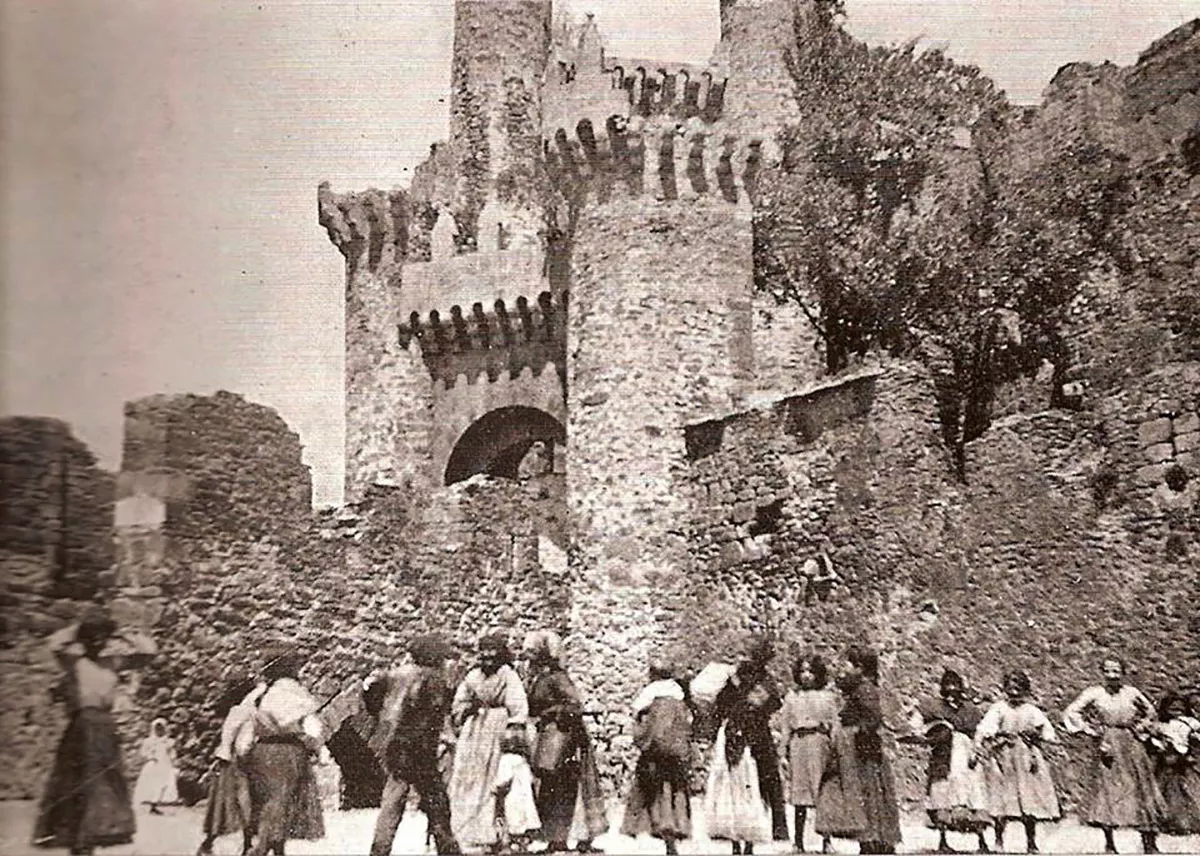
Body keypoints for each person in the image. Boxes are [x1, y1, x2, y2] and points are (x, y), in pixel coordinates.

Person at [34, 610, 137, 855]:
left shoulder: (114, 664)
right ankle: (78, 839)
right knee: (77, 783)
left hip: (105, 728)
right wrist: (79, 629)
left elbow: (147, 651)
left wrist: (119, 633)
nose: (97, 642)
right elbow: (55, 644)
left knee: (105, 783)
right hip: (81, 727)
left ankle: (93, 835)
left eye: (102, 638)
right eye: (92, 638)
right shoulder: (76, 663)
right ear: (85, 640)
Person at [362, 634, 462, 856]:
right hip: (420, 746)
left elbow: (370, 695)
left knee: (393, 799)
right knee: (437, 801)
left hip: (394, 745)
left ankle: (379, 849)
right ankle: (448, 849)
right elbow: (435, 711)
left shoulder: (395, 674)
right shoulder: (432, 678)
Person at [1063, 659, 1166, 854]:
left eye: (1116, 671)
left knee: (1141, 787)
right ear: (1102, 672)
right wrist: (1091, 730)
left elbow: (1150, 712)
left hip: (1131, 741)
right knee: (1108, 789)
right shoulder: (1094, 693)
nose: (1112, 675)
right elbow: (1072, 712)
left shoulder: (1132, 693)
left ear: (1123, 673)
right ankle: (1110, 844)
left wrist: (1142, 726)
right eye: (1108, 671)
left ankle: (1149, 843)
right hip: (1108, 743)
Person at [522, 629, 607, 853]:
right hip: (549, 737)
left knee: (570, 788)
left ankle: (581, 837)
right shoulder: (538, 678)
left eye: (532, 654)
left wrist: (551, 712)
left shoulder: (557, 677)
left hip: (566, 738)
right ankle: (556, 838)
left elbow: (574, 705)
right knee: (553, 788)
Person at [814, 646, 902, 855]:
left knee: (868, 791)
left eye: (849, 664)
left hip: (861, 749)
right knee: (867, 793)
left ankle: (875, 839)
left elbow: (873, 719)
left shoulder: (865, 689)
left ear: (860, 668)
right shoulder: (859, 689)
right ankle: (872, 839)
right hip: (857, 747)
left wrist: (855, 733)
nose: (844, 668)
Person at [447, 633, 530, 852]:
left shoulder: (508, 676)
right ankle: (471, 831)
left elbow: (519, 708)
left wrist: (512, 734)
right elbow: (459, 702)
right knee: (470, 780)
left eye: (492, 657)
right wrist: (466, 710)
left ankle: (496, 834)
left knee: (496, 782)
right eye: (483, 657)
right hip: (473, 734)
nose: (487, 662)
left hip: (498, 732)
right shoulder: (473, 676)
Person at [241, 647, 327, 856]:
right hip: (288, 752)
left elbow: (248, 725)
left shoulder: (262, 693)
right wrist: (318, 749)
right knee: (282, 801)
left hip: (261, 751)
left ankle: (276, 850)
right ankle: (262, 849)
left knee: (268, 801)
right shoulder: (295, 693)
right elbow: (312, 727)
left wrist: (244, 752)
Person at [706, 639, 785, 854]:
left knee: (752, 783)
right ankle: (738, 839)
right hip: (739, 734)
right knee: (739, 785)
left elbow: (769, 704)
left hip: (752, 736)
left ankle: (747, 839)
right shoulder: (737, 681)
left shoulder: (761, 682)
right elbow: (721, 705)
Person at [905, 670, 991, 854]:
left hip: (965, 753)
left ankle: (981, 840)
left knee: (971, 793)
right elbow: (915, 724)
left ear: (961, 689)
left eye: (956, 687)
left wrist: (976, 750)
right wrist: (929, 731)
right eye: (948, 688)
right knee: (942, 793)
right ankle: (943, 840)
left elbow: (978, 732)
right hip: (943, 754)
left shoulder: (970, 709)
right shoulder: (932, 706)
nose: (952, 691)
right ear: (943, 689)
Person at [974, 671, 1060, 854]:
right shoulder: (999, 708)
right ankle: (998, 839)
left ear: (1025, 690)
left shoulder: (1031, 710)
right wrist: (983, 741)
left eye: (1018, 689)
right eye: (1010, 688)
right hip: (1005, 757)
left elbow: (1047, 731)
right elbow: (986, 728)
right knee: (1001, 799)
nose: (1014, 693)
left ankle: (1031, 842)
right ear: (1005, 689)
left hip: (1026, 757)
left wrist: (1036, 735)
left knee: (1028, 799)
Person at [621, 662, 693, 855]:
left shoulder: (650, 691)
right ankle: (676, 828)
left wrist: (640, 735)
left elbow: (636, 711)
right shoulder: (678, 691)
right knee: (675, 788)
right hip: (675, 750)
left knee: (648, 787)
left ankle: (649, 828)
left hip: (654, 748)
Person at [198, 674, 267, 856]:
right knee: (239, 803)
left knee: (240, 803)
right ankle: (216, 844)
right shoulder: (244, 711)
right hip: (237, 762)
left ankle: (242, 844)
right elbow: (232, 738)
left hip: (239, 761)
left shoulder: (246, 711)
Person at [779, 653, 838, 854]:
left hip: (820, 743)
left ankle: (826, 840)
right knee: (800, 794)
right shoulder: (791, 697)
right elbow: (785, 727)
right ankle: (798, 841)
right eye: (802, 671)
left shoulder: (827, 697)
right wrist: (782, 753)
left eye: (810, 671)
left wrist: (835, 749)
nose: (806, 676)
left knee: (822, 792)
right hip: (799, 744)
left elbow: (834, 726)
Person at [1149, 691, 1200, 837]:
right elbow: (1152, 736)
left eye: (1180, 709)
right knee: (1167, 792)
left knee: (1187, 792)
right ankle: (1167, 822)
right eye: (1172, 709)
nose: (1177, 712)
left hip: (1183, 762)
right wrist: (1159, 744)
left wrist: (1194, 740)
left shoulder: (1190, 723)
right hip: (1166, 762)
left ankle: (1187, 823)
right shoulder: (1162, 725)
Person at [492, 730, 541, 852]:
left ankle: (512, 843)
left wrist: (494, 788)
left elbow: (503, 779)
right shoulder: (523, 761)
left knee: (512, 818)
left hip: (512, 797)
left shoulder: (506, 760)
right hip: (525, 796)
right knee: (524, 819)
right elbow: (531, 779)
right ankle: (523, 843)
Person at [134, 718, 179, 814]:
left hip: (165, 764)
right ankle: (150, 804)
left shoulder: (168, 741)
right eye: (157, 729)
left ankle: (155, 804)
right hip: (153, 764)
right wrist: (150, 756)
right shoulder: (148, 741)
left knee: (163, 784)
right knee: (152, 784)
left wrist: (173, 761)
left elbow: (172, 754)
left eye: (161, 728)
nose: (159, 731)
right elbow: (143, 753)